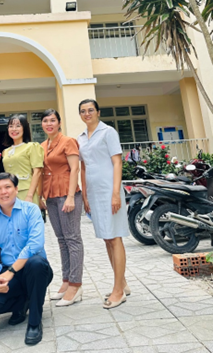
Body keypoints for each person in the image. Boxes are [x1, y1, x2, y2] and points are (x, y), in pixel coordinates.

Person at [0, 173, 53, 346]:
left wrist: (11, 271)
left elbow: (35, 244)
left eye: (8, 187)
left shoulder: (31, 210)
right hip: (9, 272)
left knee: (36, 263)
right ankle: (23, 303)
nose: (3, 192)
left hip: (34, 270)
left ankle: (34, 322)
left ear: (16, 189)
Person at [78, 99, 130, 310]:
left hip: (110, 191)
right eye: (83, 111)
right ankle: (122, 283)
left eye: (91, 110)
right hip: (94, 193)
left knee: (115, 237)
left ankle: (118, 291)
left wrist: (115, 193)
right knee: (107, 238)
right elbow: (83, 167)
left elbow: (117, 162)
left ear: (98, 112)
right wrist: (85, 195)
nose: (87, 113)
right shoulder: (81, 138)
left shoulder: (108, 132)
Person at [40, 109, 83, 307]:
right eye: (45, 121)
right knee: (62, 240)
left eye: (52, 120)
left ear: (59, 123)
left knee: (72, 239)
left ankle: (76, 285)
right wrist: (41, 196)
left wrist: (71, 196)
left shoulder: (68, 141)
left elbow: (75, 168)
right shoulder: (43, 146)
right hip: (51, 195)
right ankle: (66, 281)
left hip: (67, 193)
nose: (49, 124)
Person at [2, 114, 44, 205]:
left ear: (24, 128)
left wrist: (30, 195)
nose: (14, 129)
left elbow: (37, 172)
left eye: (18, 126)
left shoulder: (32, 147)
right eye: (11, 126)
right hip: (10, 193)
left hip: (26, 191)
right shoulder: (6, 151)